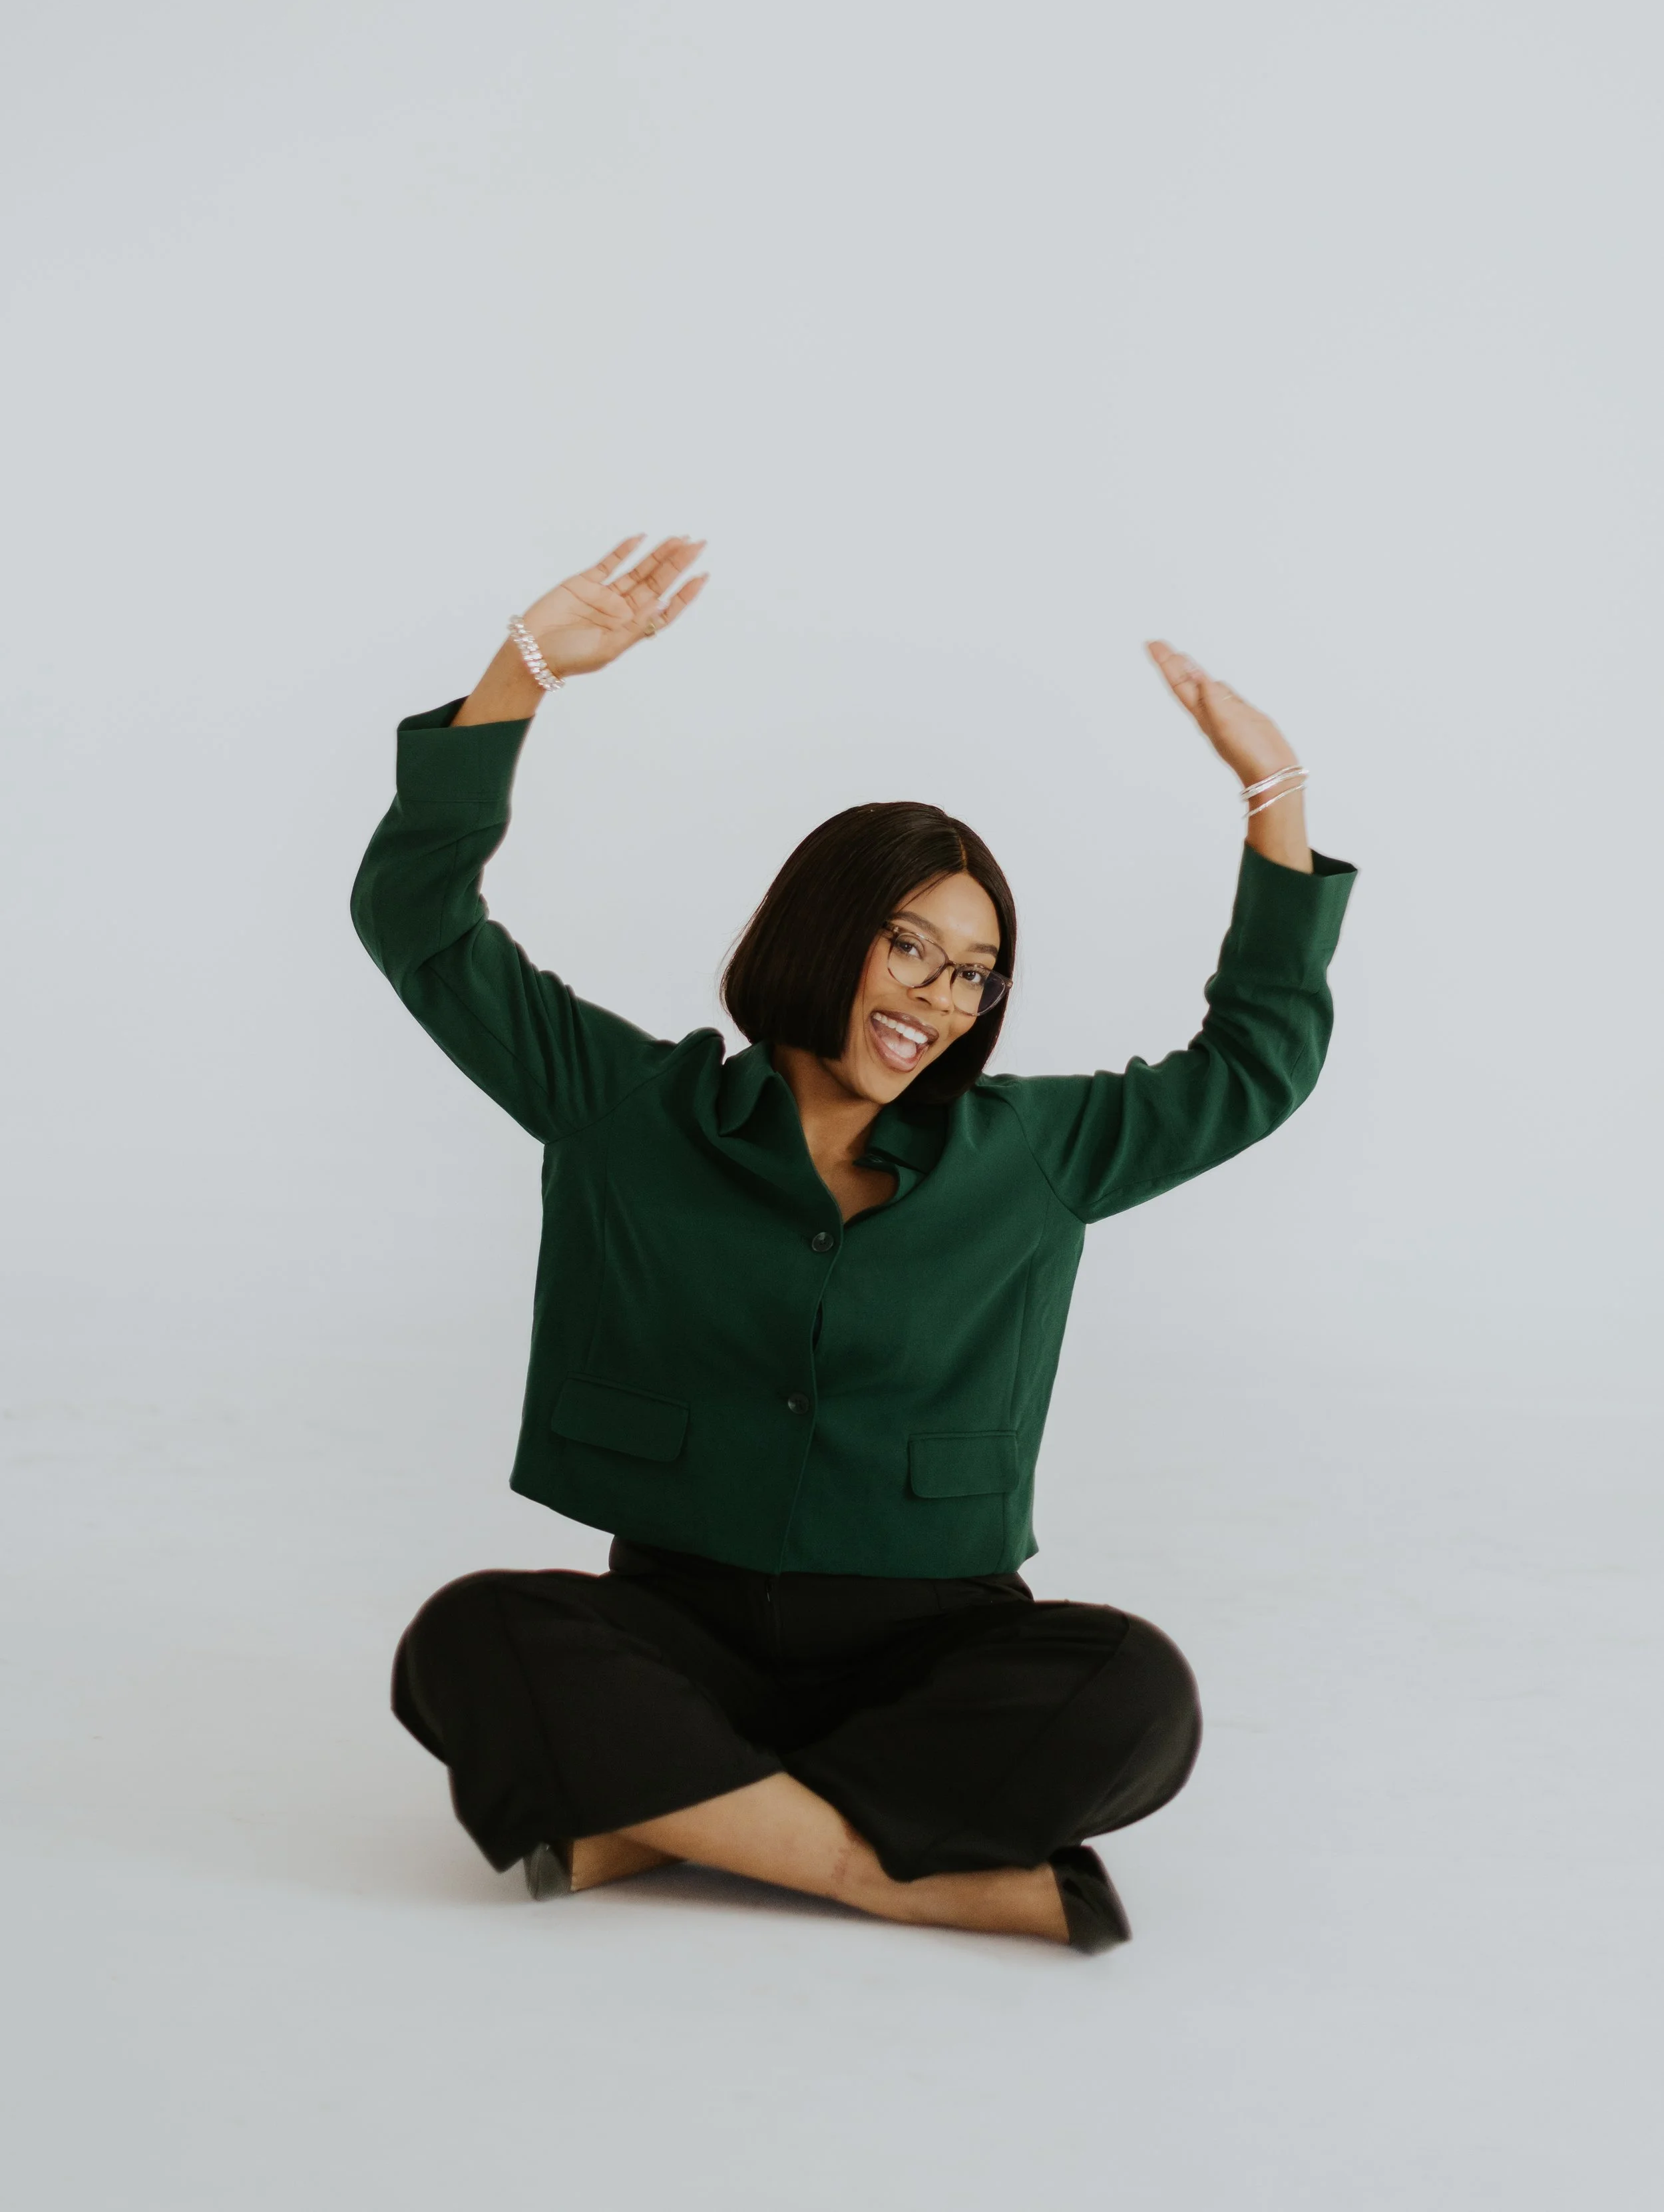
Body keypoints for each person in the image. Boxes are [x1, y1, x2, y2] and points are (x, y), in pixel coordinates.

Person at [350, 533, 1355, 1952]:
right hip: (677, 1631)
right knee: (471, 1639)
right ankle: (891, 1870)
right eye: (908, 947)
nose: (939, 998)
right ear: (823, 932)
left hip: (932, 1648)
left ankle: (660, 1822)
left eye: (973, 973)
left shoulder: (1036, 1151)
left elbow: (1254, 1063)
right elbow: (419, 920)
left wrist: (1275, 795)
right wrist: (520, 671)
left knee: (1133, 1693)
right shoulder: (626, 1108)